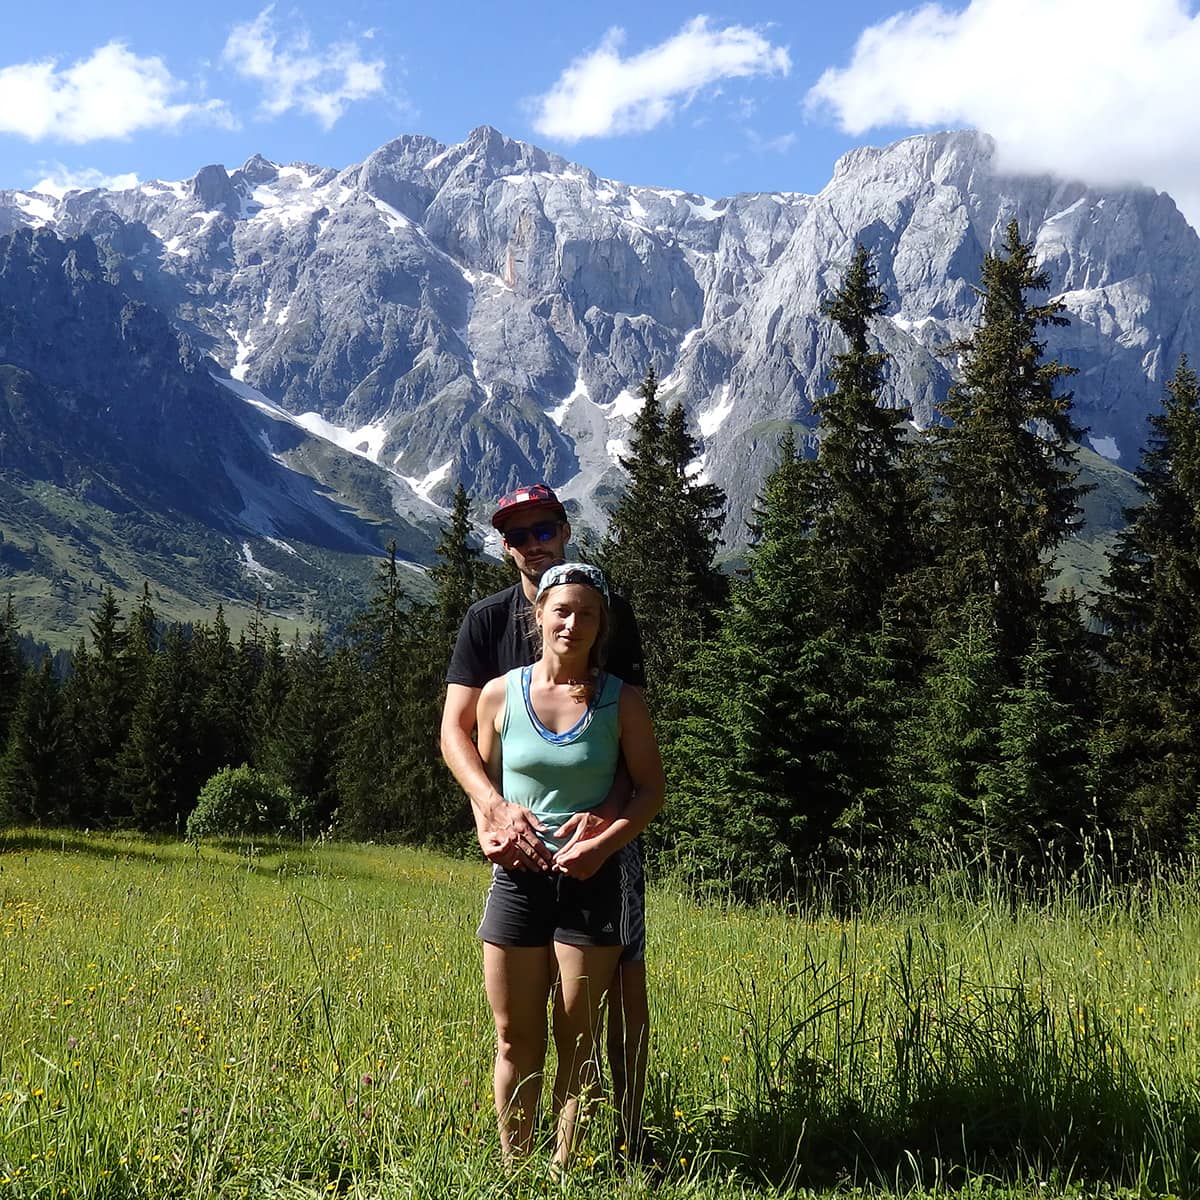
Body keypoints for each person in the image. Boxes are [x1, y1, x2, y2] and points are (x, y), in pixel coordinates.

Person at [440, 484, 653, 1155]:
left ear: (563, 530)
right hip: (520, 857)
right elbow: (461, 736)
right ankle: (521, 1167)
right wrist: (490, 812)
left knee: (621, 994)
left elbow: (635, 764)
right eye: (518, 535)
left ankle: (628, 1139)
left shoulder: (608, 611)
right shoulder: (487, 624)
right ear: (506, 547)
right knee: (520, 1031)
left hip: (601, 855)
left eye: (543, 530)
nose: (532, 544)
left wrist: (606, 829)